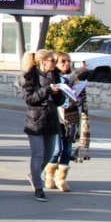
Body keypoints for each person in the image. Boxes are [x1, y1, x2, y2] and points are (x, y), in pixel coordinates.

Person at [18, 49, 64, 202]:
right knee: (37, 155)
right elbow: (30, 99)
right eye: (52, 60)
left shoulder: (55, 75)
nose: (55, 63)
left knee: (49, 154)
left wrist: (59, 93)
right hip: (35, 120)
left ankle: (34, 175)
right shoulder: (29, 77)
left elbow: (59, 102)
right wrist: (48, 89)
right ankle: (38, 187)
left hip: (51, 118)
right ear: (43, 62)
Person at [47, 52, 88, 192]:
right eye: (62, 61)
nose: (66, 64)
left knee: (67, 149)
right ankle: (49, 176)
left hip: (71, 119)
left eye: (68, 61)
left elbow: (82, 99)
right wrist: (67, 101)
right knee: (57, 150)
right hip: (57, 118)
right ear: (56, 63)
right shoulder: (54, 77)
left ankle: (61, 179)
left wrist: (77, 100)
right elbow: (54, 98)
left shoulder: (75, 81)